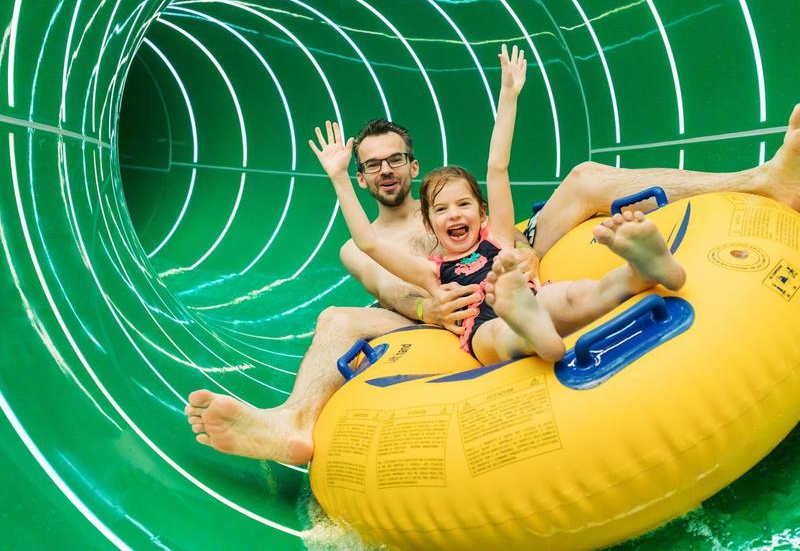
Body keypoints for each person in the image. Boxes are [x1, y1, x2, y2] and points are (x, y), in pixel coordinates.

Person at [184, 83, 800, 465]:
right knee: (333, 317)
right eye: (373, 166)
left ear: (414, 165)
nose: (387, 170)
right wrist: (434, 305)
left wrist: (521, 249)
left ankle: (761, 181)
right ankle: (293, 420)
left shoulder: (457, 205)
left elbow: (497, 178)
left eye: (396, 158)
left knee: (585, 177)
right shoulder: (365, 246)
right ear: (365, 177)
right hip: (443, 308)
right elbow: (398, 289)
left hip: (507, 259)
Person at [310, 44, 685, 365]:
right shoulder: (430, 272)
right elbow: (368, 243)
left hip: (534, 296)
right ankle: (529, 329)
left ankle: (644, 268)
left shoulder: (501, 239)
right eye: (441, 210)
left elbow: (497, 166)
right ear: (430, 224)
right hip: (485, 323)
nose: (454, 214)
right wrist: (339, 178)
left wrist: (509, 96)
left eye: (463, 205)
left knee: (575, 294)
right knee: (498, 337)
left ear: (483, 213)